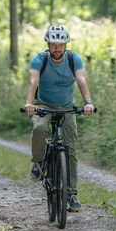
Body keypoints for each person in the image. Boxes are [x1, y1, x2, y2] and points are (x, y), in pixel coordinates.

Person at [24, 25, 94, 212]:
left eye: (60, 45)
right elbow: (33, 81)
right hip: (44, 105)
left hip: (66, 107)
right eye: (53, 45)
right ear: (48, 44)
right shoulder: (40, 59)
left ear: (65, 45)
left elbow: (81, 80)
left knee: (70, 150)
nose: (56, 49)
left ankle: (71, 194)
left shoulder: (73, 59)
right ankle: (38, 163)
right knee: (39, 129)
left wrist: (88, 102)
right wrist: (29, 103)